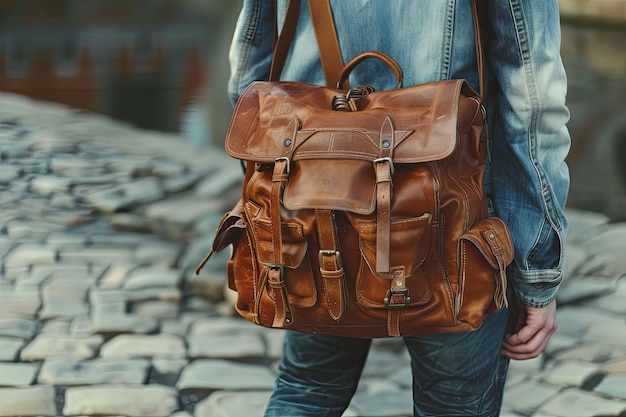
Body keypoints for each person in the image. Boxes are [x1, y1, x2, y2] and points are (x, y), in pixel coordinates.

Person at [226, 1, 570, 416]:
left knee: (307, 390)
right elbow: (533, 109)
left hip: (309, 215)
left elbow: (250, 75)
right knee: (454, 405)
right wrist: (536, 272)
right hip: (452, 230)